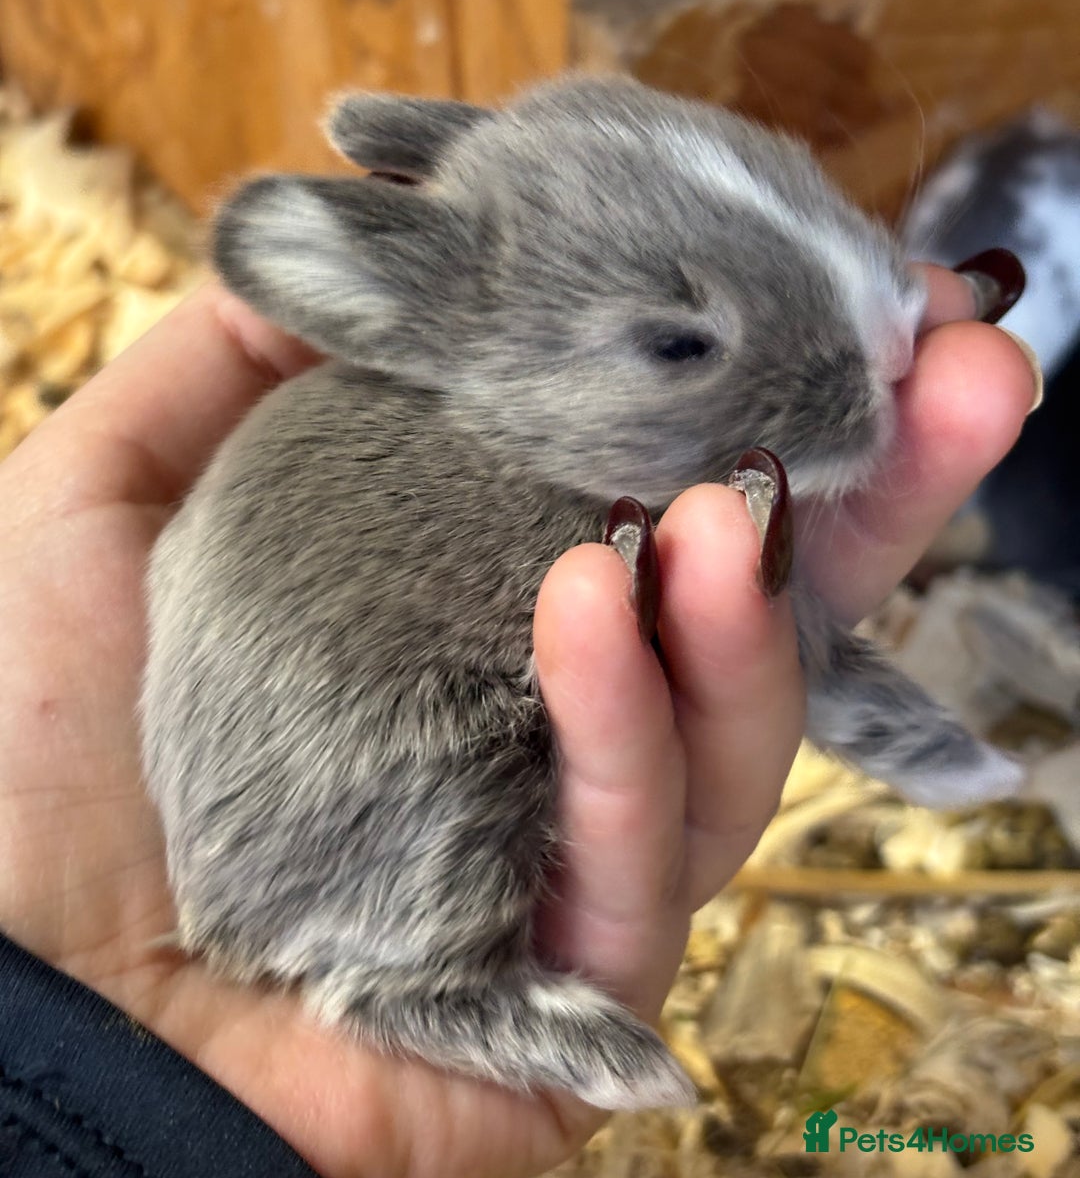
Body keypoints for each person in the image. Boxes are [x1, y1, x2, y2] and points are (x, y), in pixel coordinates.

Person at [0, 259, 1036, 1178]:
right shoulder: (567, 436)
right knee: (467, 769)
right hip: (366, 740)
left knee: (703, 610)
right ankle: (425, 993)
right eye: (683, 347)